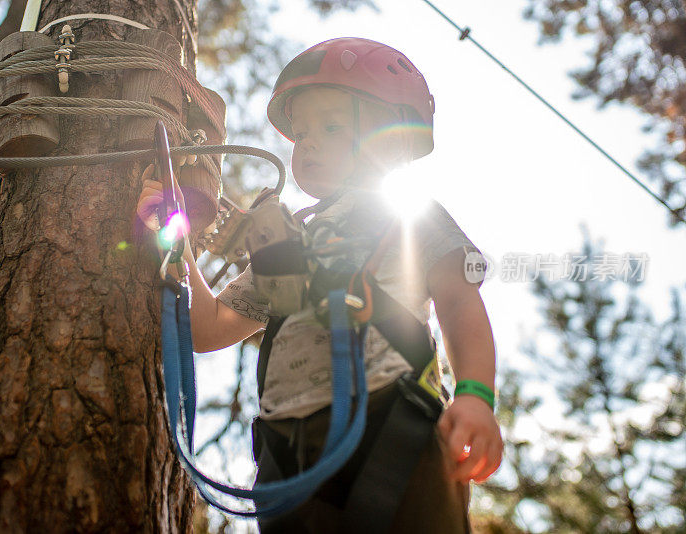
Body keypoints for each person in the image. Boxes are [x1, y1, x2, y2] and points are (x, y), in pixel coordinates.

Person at [137, 37, 502, 534]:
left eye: (330, 127)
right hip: (287, 451)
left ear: (393, 139)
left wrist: (476, 395)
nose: (306, 143)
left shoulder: (412, 218)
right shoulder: (289, 243)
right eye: (301, 132)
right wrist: (174, 237)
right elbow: (210, 328)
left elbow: (460, 302)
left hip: (391, 424)